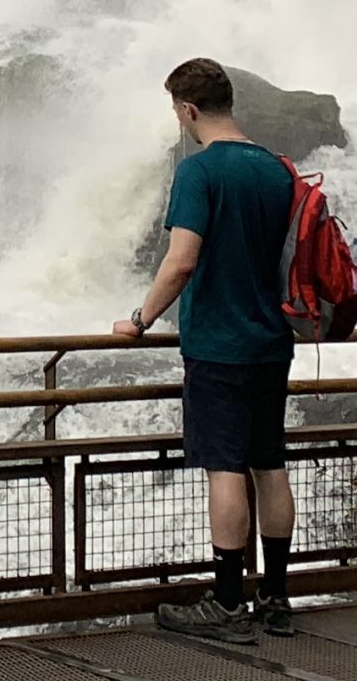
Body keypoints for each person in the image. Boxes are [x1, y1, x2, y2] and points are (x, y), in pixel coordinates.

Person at [111, 58, 296, 644]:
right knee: (269, 463)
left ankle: (225, 602)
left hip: (220, 344)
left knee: (224, 468)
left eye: (176, 111)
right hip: (272, 341)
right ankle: (277, 597)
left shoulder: (198, 171)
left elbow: (182, 260)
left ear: (188, 110)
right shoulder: (276, 168)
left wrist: (140, 321)